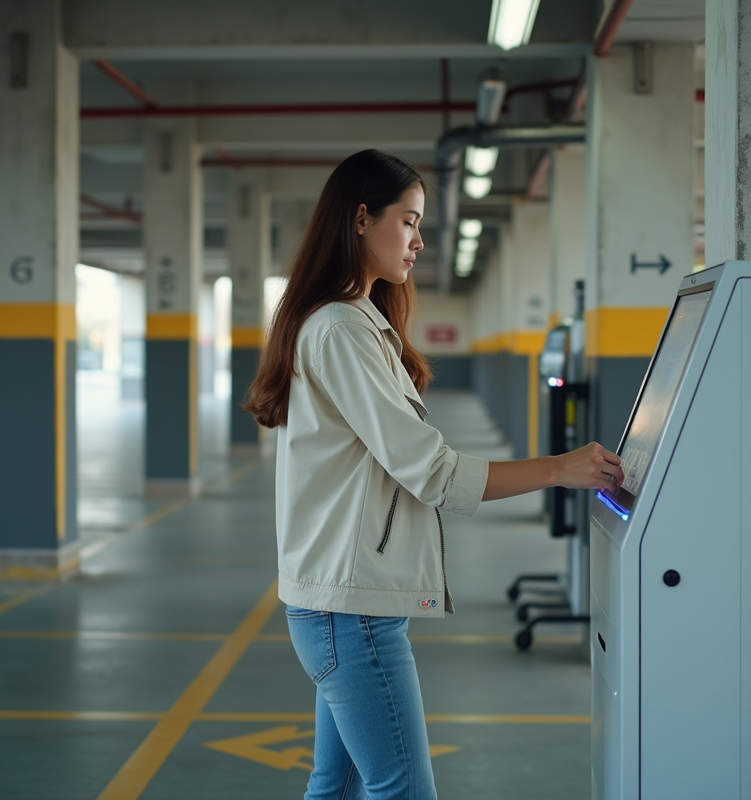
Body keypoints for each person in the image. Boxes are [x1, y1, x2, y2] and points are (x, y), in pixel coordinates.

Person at [244, 149, 622, 800]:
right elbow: (434, 473)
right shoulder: (340, 329)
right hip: (349, 611)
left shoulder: (356, 321)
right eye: (410, 221)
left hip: (339, 602)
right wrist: (560, 469)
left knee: (335, 788)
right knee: (401, 790)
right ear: (362, 220)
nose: (420, 242)